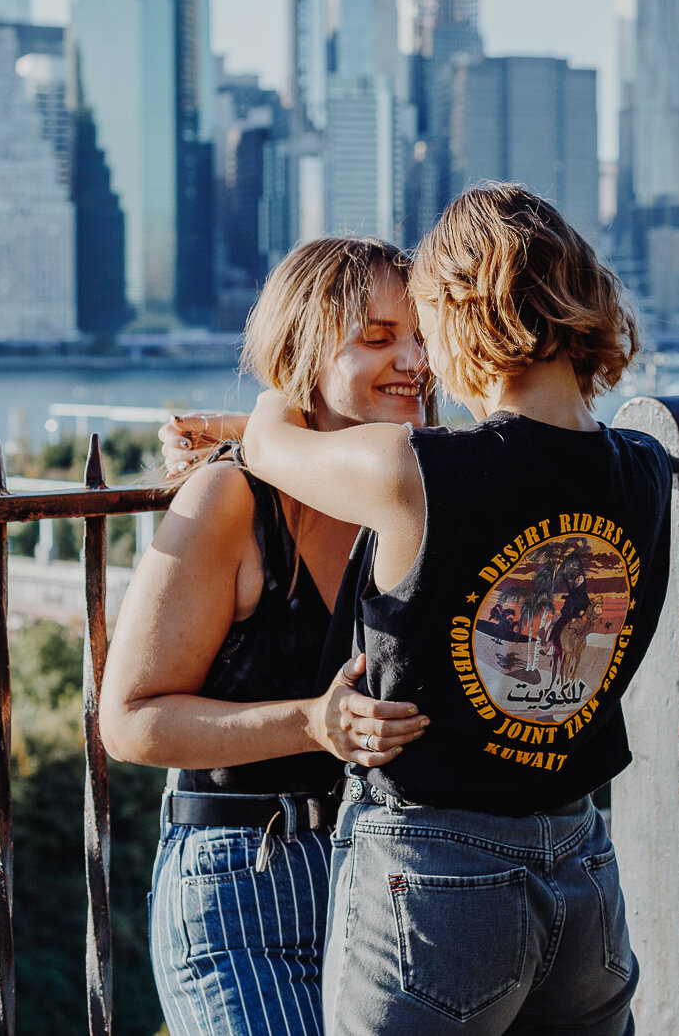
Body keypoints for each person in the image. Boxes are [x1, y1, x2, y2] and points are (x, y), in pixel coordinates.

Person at [235, 183, 671, 1036]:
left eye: (428, 324)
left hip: (434, 879)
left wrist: (272, 392)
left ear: (466, 319)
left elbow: (266, 442)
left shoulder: (416, 474)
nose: (424, 357)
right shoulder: (649, 468)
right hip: (581, 867)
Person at [102, 237, 434, 1036]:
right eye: (380, 337)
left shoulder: (408, 490)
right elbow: (129, 718)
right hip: (238, 884)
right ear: (306, 352)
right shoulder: (229, 501)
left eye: (421, 336)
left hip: (381, 882)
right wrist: (312, 723)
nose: (415, 361)